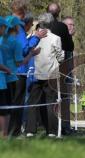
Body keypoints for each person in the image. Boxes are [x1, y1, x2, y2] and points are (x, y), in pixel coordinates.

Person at [8, 0, 47, 136]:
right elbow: (23, 49)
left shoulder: (6, 23)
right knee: (17, 103)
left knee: (7, 102)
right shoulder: (18, 26)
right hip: (18, 72)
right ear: (23, 12)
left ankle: (6, 133)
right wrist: (36, 37)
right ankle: (14, 133)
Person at [25, 13, 64, 137]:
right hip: (50, 74)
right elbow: (60, 56)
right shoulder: (55, 38)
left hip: (35, 73)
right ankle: (51, 131)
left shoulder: (32, 36)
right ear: (52, 23)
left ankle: (30, 130)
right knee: (51, 103)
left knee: (32, 102)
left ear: (39, 23)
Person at [47, 3, 74, 135]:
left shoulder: (40, 26)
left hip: (61, 69)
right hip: (57, 68)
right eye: (69, 25)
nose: (71, 27)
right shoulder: (60, 28)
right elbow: (69, 47)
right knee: (57, 97)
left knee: (64, 98)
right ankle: (58, 127)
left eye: (73, 25)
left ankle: (64, 126)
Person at [0, 17, 12, 138]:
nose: (5, 29)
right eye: (4, 27)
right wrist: (7, 69)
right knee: (3, 111)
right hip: (1, 82)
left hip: (3, 81)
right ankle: (3, 136)